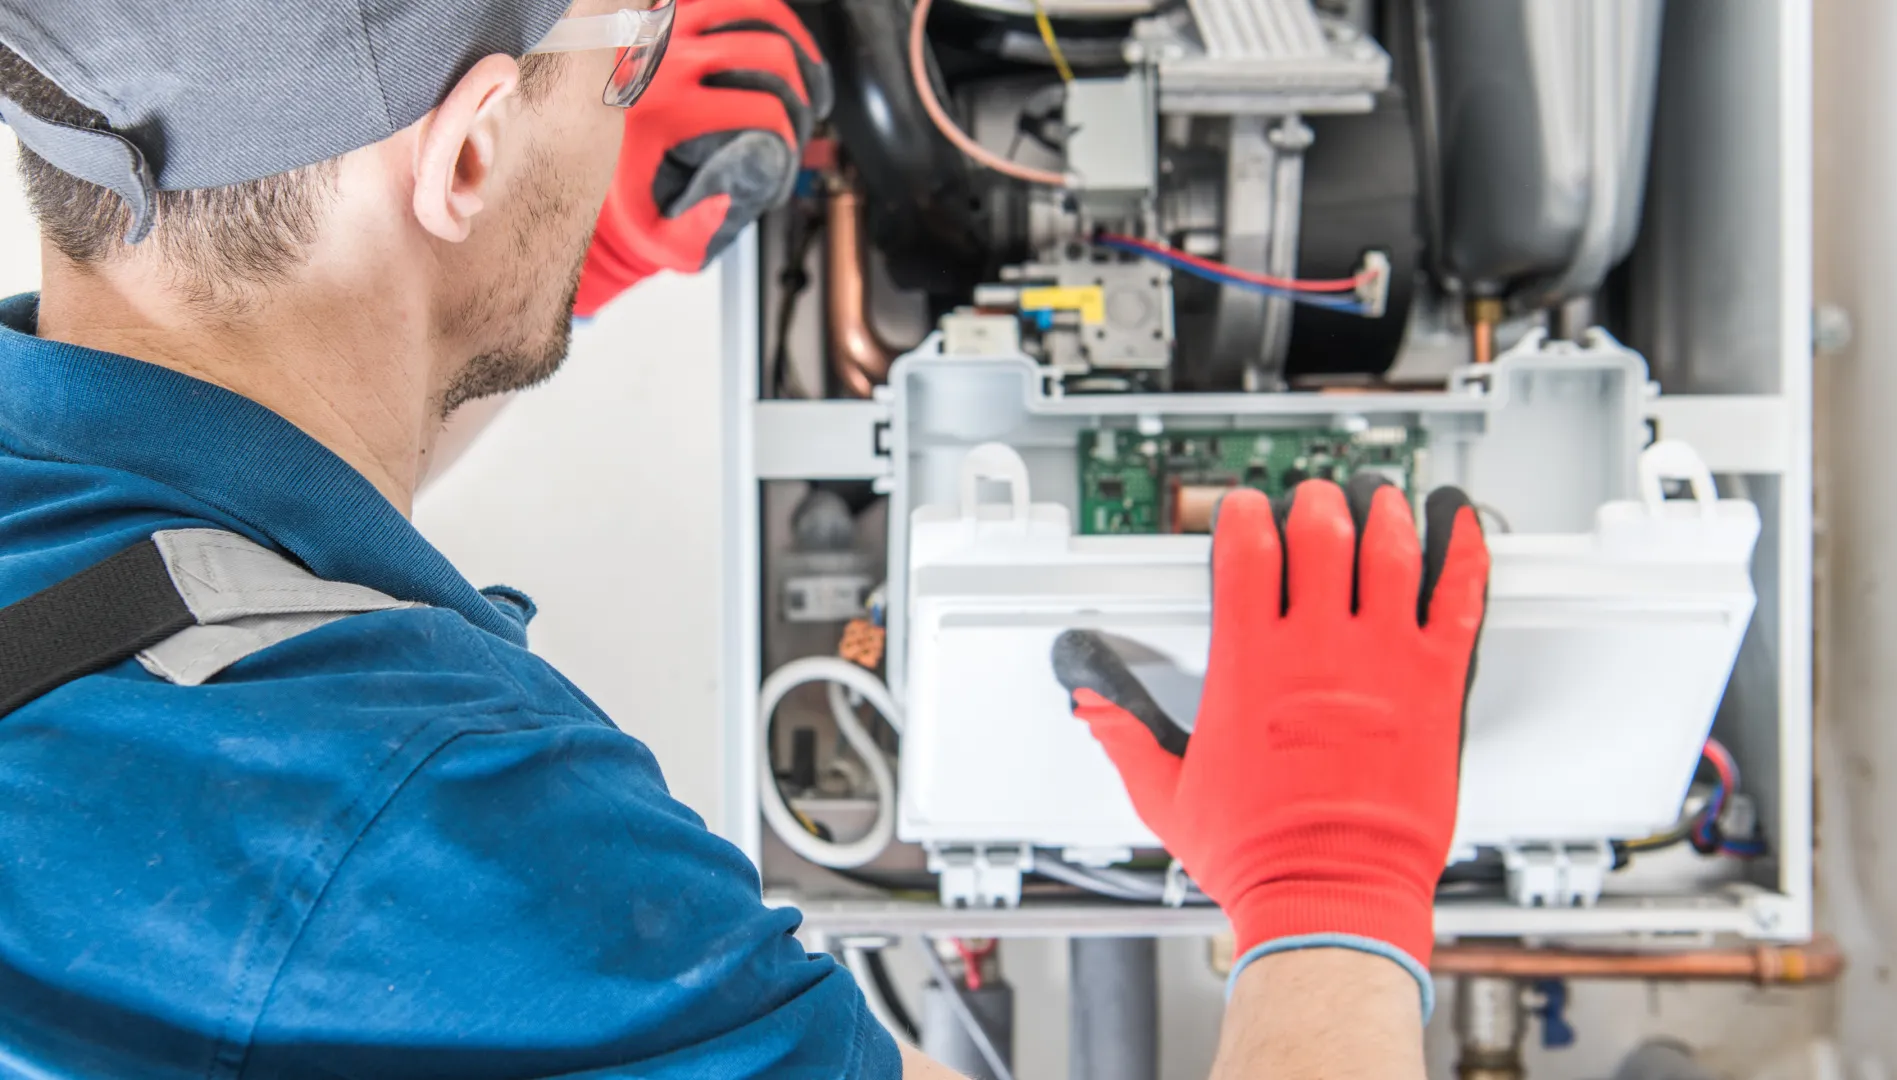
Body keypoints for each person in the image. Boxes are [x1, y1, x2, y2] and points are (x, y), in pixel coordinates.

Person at [0, 1, 1489, 1076]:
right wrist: (1329, 893)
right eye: (627, 59)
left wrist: (528, 263)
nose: (635, 95)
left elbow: (207, 534)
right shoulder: (454, 844)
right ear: (463, 159)